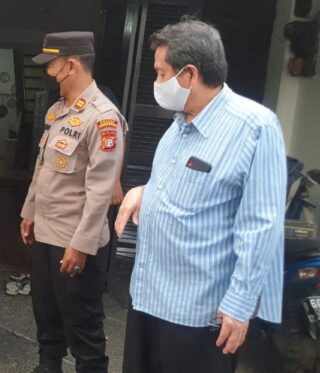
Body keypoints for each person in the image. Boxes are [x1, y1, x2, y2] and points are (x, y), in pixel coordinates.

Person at [115, 18, 285, 373]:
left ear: (189, 75)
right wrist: (142, 191)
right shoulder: (179, 124)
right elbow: (184, 186)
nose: (157, 83)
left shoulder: (254, 127)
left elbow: (261, 225)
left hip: (197, 314)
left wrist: (239, 306)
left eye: (162, 74)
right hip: (148, 297)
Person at [20, 31, 126, 373]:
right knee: (46, 315)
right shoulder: (57, 111)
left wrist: (80, 245)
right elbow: (42, 169)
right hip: (46, 233)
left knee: (83, 325)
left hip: (76, 241)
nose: (47, 71)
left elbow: (100, 191)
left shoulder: (104, 118)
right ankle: (47, 366)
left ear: (71, 64)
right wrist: (29, 213)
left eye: (50, 65)